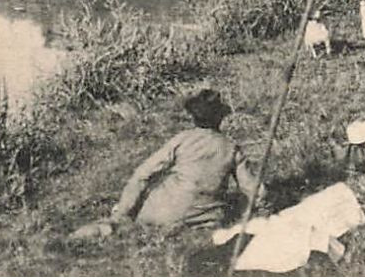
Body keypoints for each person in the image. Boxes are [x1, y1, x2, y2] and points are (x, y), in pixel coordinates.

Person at [109, 88, 264, 229]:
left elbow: (142, 175)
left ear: (193, 117)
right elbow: (251, 187)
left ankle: (121, 216)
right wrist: (262, 207)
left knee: (152, 188)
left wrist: (121, 212)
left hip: (165, 214)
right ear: (220, 118)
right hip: (207, 216)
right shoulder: (230, 147)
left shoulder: (182, 139)